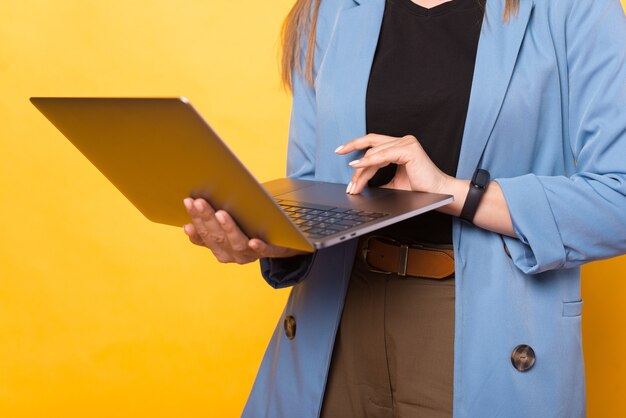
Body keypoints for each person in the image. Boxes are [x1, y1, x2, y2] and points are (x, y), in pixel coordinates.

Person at [183, 0, 626, 416]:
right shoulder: (327, 10)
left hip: (482, 327)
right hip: (336, 318)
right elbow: (313, 189)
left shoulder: (574, 9)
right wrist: (268, 239)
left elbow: (619, 198)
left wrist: (453, 193)